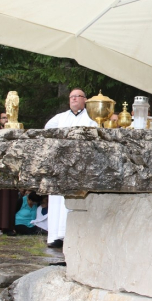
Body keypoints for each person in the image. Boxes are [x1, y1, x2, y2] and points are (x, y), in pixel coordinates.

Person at [44, 88, 97, 248]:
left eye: (77, 96)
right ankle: (55, 235)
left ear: (85, 100)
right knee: (57, 199)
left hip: (79, 165)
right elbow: (48, 129)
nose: (74, 99)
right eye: (72, 97)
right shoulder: (60, 117)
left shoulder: (91, 118)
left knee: (73, 198)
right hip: (61, 164)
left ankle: (70, 234)